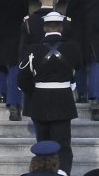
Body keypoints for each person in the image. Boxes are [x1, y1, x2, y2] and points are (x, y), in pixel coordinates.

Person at [18, 14, 81, 175]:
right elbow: (78, 67)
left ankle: (42, 172)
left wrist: (36, 91)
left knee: (43, 144)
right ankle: (63, 172)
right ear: (61, 27)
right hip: (63, 101)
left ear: (44, 28)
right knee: (63, 145)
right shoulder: (73, 48)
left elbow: (22, 79)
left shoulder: (33, 49)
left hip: (41, 101)